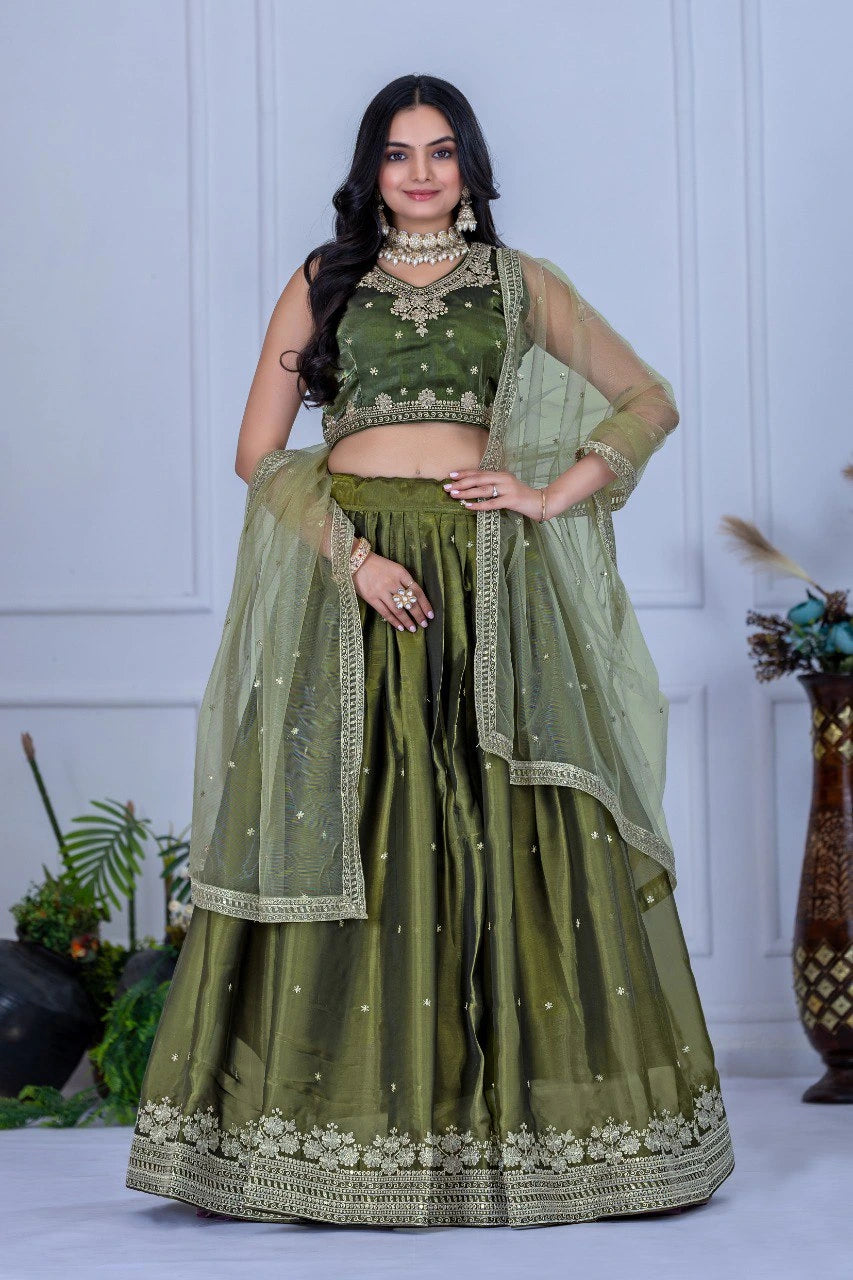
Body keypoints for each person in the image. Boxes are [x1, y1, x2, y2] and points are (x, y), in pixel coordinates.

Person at [125, 73, 735, 1228]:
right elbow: (260, 452)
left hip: (485, 580)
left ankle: (534, 1142)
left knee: (507, 823)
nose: (419, 173)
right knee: (346, 822)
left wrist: (554, 493)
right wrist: (352, 559)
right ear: (371, 169)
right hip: (352, 581)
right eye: (398, 153)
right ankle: (325, 1140)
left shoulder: (519, 285)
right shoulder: (324, 278)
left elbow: (645, 399)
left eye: (440, 151)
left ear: (469, 165)